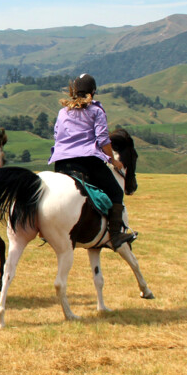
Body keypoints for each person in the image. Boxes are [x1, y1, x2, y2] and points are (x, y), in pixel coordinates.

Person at [47, 73, 137, 249]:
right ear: (93, 91)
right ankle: (116, 236)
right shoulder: (96, 111)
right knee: (116, 193)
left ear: (74, 91)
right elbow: (103, 140)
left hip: (62, 162)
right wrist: (113, 161)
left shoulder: (63, 112)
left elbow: (57, 136)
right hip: (86, 161)